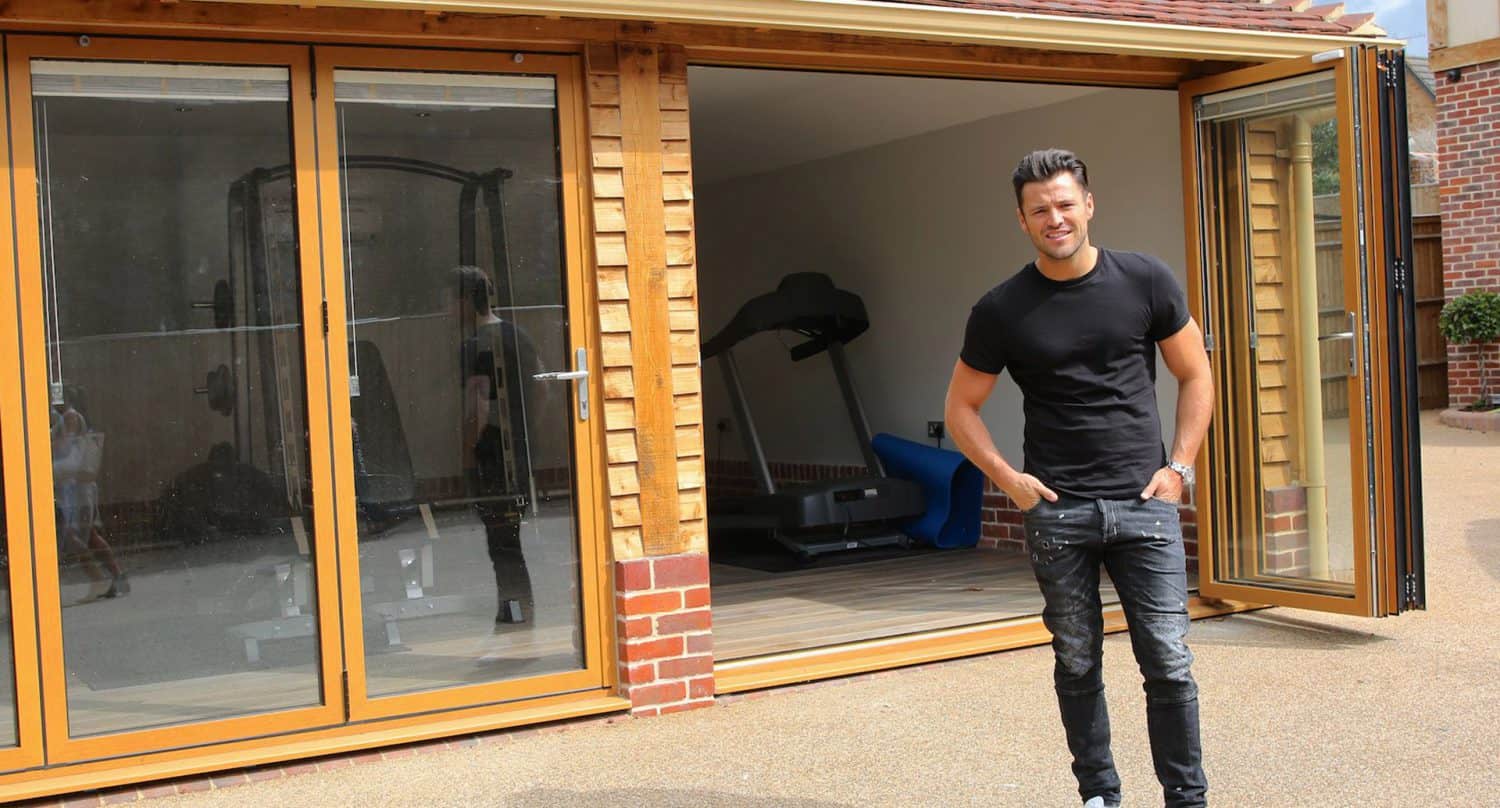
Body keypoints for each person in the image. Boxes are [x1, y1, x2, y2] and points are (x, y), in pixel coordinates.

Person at [943, 149, 1213, 808]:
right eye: (1040, 210)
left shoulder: (1145, 280)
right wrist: (1008, 477)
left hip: (1144, 505)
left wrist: (1179, 467)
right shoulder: (1002, 308)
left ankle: (1188, 799)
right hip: (1059, 515)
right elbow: (959, 408)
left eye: (1065, 204)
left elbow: (1196, 373)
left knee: (1170, 664)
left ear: (1088, 205)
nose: (1055, 218)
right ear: (1023, 220)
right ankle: (1099, 795)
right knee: (1077, 660)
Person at [450, 265, 541, 631]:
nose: (449, 311)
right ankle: (518, 610)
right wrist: (526, 430)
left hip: (492, 453)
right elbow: (543, 390)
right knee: (511, 536)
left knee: (500, 540)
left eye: (451, 301)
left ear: (467, 301)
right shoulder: (519, 336)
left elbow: (478, 405)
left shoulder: (475, 345)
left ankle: (515, 613)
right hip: (518, 447)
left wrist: (467, 455)